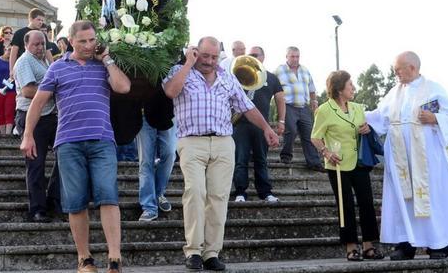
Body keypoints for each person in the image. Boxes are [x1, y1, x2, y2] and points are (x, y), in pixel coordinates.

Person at [20, 20, 131, 273]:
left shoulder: (103, 65)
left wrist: (107, 59)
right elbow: (37, 103)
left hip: (102, 140)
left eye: (92, 40)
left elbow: (123, 87)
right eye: (83, 41)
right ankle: (85, 259)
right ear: (71, 41)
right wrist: (27, 135)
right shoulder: (57, 67)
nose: (89, 45)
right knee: (76, 202)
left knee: (108, 196)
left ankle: (114, 259)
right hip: (69, 143)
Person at [162, 37, 280, 271]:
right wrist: (188, 64)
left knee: (218, 198)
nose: (209, 61)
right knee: (195, 192)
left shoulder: (227, 77)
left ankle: (211, 253)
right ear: (195, 52)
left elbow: (247, 107)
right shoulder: (180, 71)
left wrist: (267, 128)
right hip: (191, 141)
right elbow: (171, 91)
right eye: (205, 56)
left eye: (214, 57)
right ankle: (193, 251)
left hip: (224, 142)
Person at [365, 51, 448, 260]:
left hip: (427, 158)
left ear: (412, 68)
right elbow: (379, 116)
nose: (396, 73)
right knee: (403, 200)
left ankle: (438, 244)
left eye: (398, 69)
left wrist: (435, 118)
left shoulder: (433, 89)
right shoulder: (394, 93)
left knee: (431, 197)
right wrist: (355, 116)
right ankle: (406, 244)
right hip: (400, 158)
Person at [311, 70, 383, 261]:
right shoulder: (324, 110)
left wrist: (367, 129)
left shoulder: (358, 108)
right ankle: (351, 247)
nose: (353, 88)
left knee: (367, 202)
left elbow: (365, 128)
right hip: (338, 164)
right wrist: (326, 152)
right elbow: (315, 137)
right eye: (350, 84)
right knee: (346, 205)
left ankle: (368, 246)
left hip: (360, 161)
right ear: (339, 88)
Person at [13, 30, 61, 222]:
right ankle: (37, 209)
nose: (41, 47)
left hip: (50, 115)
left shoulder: (44, 61)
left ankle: (54, 200)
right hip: (31, 116)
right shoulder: (25, 61)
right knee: (36, 164)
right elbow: (28, 91)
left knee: (66, 156)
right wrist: (55, 91)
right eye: (36, 44)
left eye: (43, 43)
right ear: (26, 45)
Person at [232, 46, 286, 203]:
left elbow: (280, 99)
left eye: (256, 55)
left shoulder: (271, 77)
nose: (253, 57)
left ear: (263, 57)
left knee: (261, 159)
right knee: (240, 159)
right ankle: (240, 192)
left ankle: (265, 192)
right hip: (241, 123)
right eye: (251, 55)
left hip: (261, 125)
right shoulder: (239, 73)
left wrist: (281, 121)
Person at [275, 46, 323, 170]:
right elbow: (274, 89)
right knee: (290, 130)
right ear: (286, 57)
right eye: (292, 56)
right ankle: (286, 156)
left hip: (304, 107)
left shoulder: (305, 70)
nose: (295, 59)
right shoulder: (279, 70)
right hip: (288, 106)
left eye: (297, 56)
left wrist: (314, 101)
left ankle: (314, 162)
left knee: (309, 134)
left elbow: (312, 88)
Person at [135, 84, 177, 221]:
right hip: (143, 111)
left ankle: (158, 193)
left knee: (170, 154)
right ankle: (149, 206)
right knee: (146, 161)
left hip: (168, 111)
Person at [9, 8, 48, 75]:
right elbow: (13, 52)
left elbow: (47, 52)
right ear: (31, 19)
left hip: (39, 67)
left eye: (42, 20)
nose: (41, 22)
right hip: (24, 67)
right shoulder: (19, 33)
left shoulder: (42, 35)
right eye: (38, 19)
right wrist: (11, 70)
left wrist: (52, 67)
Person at [0, 46, 16, 135]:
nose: (10, 51)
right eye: (8, 49)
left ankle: (8, 134)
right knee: (0, 112)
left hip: (12, 90)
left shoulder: (16, 61)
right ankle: (2, 134)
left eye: (12, 50)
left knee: (9, 111)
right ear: (4, 50)